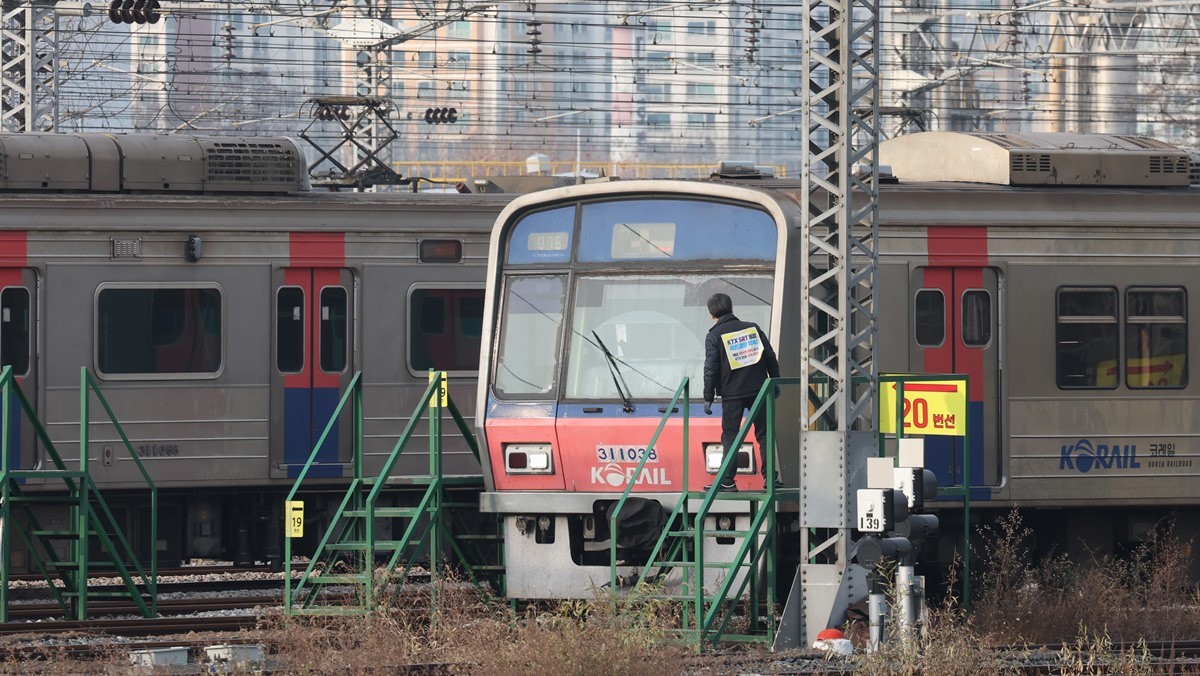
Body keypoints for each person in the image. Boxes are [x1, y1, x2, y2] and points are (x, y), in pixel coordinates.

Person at [702, 292, 780, 492]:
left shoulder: (714, 335)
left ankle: (728, 481)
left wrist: (708, 397)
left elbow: (711, 368)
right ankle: (770, 479)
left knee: (730, 436)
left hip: (732, 394)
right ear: (732, 308)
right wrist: (775, 381)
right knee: (764, 434)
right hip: (759, 390)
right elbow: (769, 356)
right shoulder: (752, 328)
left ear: (712, 314)